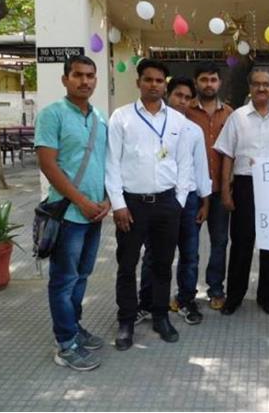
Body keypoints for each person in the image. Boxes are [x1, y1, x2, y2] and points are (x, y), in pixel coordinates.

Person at [105, 58, 192, 350]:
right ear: (138, 82)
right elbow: (111, 163)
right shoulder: (121, 117)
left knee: (163, 264)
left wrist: (179, 202)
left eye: (159, 81)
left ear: (164, 85)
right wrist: (118, 204)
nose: (154, 85)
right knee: (127, 265)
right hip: (132, 205)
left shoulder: (177, 120)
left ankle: (160, 316)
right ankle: (126, 321)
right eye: (148, 79)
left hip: (167, 204)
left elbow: (184, 163)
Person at [34, 55, 110, 371]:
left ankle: (74, 327)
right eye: (78, 75)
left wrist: (106, 200)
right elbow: (47, 164)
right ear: (65, 79)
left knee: (82, 276)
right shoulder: (52, 115)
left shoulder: (100, 118)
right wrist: (81, 201)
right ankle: (65, 344)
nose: (85, 81)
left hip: (94, 214)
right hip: (68, 214)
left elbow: (106, 162)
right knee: (64, 280)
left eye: (90, 76)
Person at [213, 67, 269, 316]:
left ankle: (266, 297)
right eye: (256, 84)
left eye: (266, 84)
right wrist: (226, 192)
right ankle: (234, 297)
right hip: (244, 185)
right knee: (241, 242)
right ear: (250, 87)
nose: (261, 88)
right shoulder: (237, 117)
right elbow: (227, 155)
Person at [138, 77, 212, 325]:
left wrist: (205, 202)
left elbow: (201, 167)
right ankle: (146, 303)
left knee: (190, 254)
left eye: (188, 98)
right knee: (154, 253)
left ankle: (185, 300)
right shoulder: (151, 125)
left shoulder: (193, 130)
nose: (183, 101)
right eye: (178, 95)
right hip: (161, 198)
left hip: (189, 200)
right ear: (168, 95)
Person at [186, 62, 234, 311]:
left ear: (219, 83)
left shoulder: (230, 114)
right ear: (196, 82)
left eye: (213, 79)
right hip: (192, 191)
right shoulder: (185, 111)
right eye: (204, 79)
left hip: (220, 190)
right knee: (190, 245)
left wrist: (227, 188)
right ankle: (187, 292)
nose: (209, 84)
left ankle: (216, 289)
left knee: (220, 242)